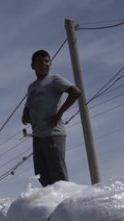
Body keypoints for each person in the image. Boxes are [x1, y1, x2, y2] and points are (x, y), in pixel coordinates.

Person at [21, 50, 82, 186]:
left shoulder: (55, 79)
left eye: (46, 61)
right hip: (37, 135)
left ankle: (64, 200)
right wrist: (25, 113)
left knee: (57, 172)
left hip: (53, 132)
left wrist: (59, 114)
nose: (44, 64)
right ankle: (51, 202)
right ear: (33, 66)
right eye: (40, 62)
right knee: (42, 173)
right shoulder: (32, 86)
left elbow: (75, 92)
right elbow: (28, 104)